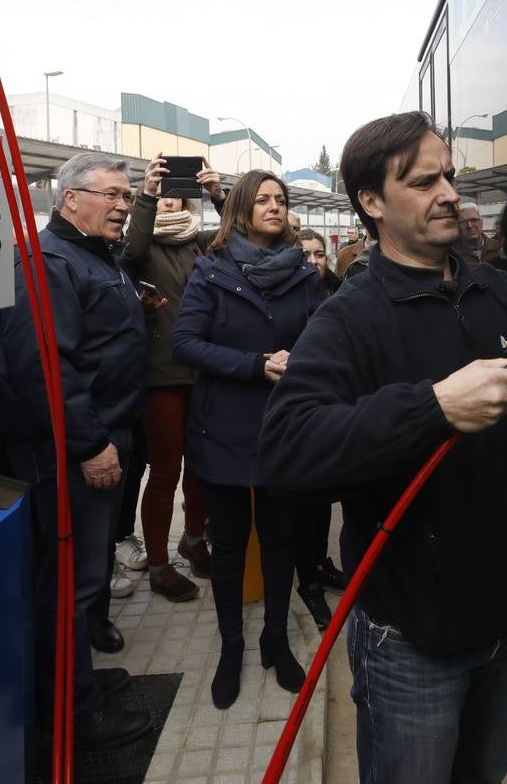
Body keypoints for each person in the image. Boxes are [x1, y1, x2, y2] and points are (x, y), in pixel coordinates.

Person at [261, 111, 507, 784]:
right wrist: (431, 408)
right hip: (410, 635)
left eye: (449, 175)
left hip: (506, 615)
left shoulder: (494, 291)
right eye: (425, 181)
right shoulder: (349, 317)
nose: (449, 192)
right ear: (370, 202)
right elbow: (286, 450)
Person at [0, 152, 150, 748]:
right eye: (110, 194)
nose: (121, 205)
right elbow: (42, 367)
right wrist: (90, 445)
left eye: (127, 196)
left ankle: (76, 682)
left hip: (103, 435)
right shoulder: (46, 262)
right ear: (70, 199)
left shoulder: (92, 257)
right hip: (73, 449)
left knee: (86, 577)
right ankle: (71, 715)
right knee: (68, 585)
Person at [171, 169, 323, 709]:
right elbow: (185, 342)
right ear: (240, 209)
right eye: (263, 199)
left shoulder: (305, 275)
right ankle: (232, 646)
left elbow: (324, 338)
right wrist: (253, 365)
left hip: (285, 429)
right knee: (230, 547)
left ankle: (275, 639)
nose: (275, 207)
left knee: (281, 543)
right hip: (226, 430)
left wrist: (299, 363)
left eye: (280, 199)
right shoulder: (210, 271)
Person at [118, 152, 228, 603]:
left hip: (203, 369)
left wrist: (220, 195)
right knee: (165, 471)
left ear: (188, 205)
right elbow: (133, 249)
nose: (168, 202)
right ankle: (160, 564)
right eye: (161, 197)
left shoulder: (201, 243)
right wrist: (145, 193)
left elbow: (239, 233)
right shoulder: (139, 249)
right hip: (160, 374)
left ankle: (194, 540)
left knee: (201, 465)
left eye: (175, 198)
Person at [291, 230, 352, 631]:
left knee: (327, 502)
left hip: (337, 406)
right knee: (305, 505)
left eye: (319, 255)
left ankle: (322, 563)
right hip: (305, 412)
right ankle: (308, 581)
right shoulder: (290, 298)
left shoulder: (341, 295)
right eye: (305, 255)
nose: (314, 261)